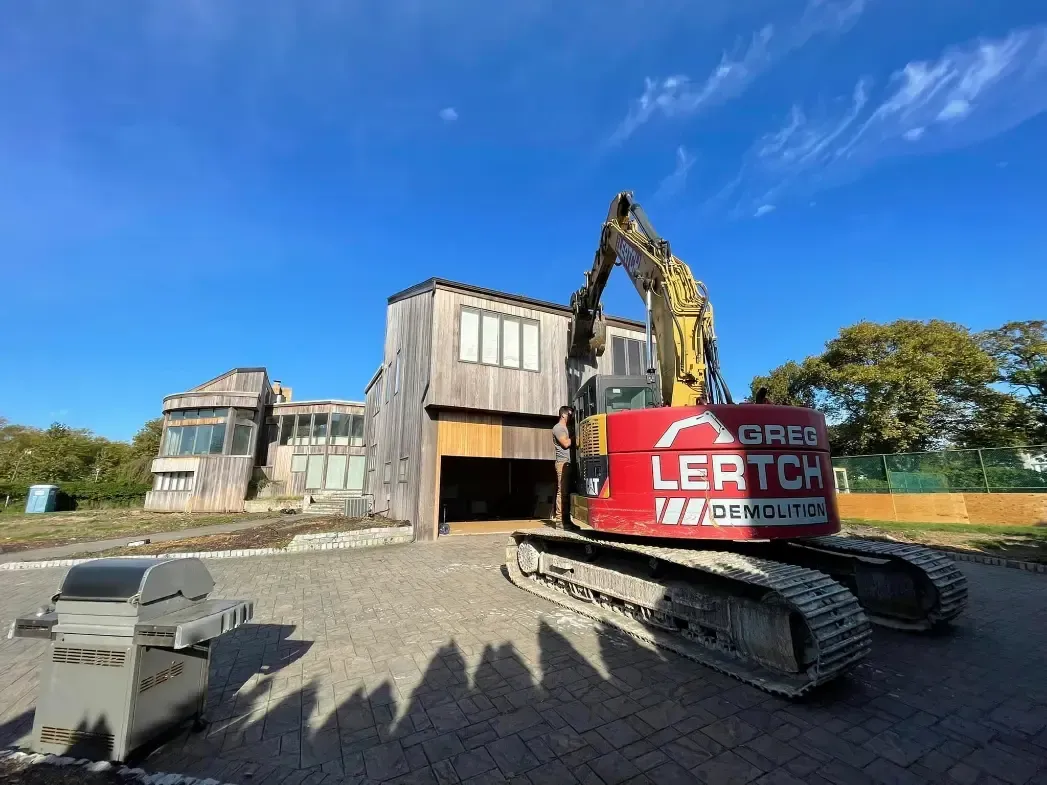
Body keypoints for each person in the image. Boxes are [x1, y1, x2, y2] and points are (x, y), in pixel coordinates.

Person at [551, 405, 573, 526]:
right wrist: (576, 438)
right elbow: (565, 443)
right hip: (562, 463)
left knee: (567, 492)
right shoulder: (558, 428)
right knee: (562, 491)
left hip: (568, 463)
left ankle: (567, 519)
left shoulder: (566, 428)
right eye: (570, 415)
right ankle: (560, 521)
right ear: (564, 414)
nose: (571, 417)